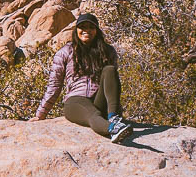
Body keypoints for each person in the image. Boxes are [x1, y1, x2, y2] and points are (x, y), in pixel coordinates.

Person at [32, 13, 133, 142]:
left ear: (96, 30)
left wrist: (116, 110)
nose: (87, 31)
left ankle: (114, 118)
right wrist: (40, 115)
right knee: (92, 114)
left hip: (98, 101)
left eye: (91, 27)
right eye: (82, 27)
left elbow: (112, 85)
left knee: (110, 70)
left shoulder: (107, 51)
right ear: (76, 30)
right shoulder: (65, 52)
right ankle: (113, 129)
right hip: (75, 101)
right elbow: (54, 86)